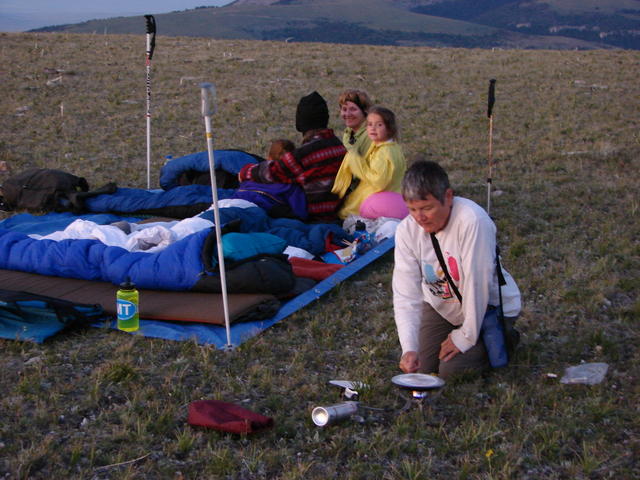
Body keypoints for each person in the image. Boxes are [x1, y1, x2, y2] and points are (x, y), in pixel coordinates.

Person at [392, 160, 521, 379]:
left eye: (427, 208)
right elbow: (406, 293)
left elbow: (476, 284)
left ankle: (506, 337)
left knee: (450, 371)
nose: (419, 218)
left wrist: (465, 336)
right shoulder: (406, 230)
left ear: (448, 197)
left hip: (488, 307)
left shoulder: (472, 220)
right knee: (422, 367)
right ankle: (468, 338)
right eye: (412, 210)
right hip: (443, 306)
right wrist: (409, 347)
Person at [239, 91, 346, 221]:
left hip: (313, 216)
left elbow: (272, 172)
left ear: (301, 122)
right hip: (336, 212)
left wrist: (244, 172)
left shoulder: (305, 153)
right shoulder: (339, 146)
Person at [331, 106, 408, 220]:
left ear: (389, 128)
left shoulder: (385, 152)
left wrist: (357, 163)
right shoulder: (388, 147)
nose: (373, 128)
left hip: (381, 201)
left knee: (346, 212)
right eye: (370, 124)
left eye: (379, 125)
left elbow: (379, 182)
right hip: (391, 197)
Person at [338, 89, 373, 156]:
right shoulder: (347, 134)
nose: (348, 114)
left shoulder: (372, 135)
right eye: (344, 109)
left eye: (353, 109)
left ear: (365, 111)